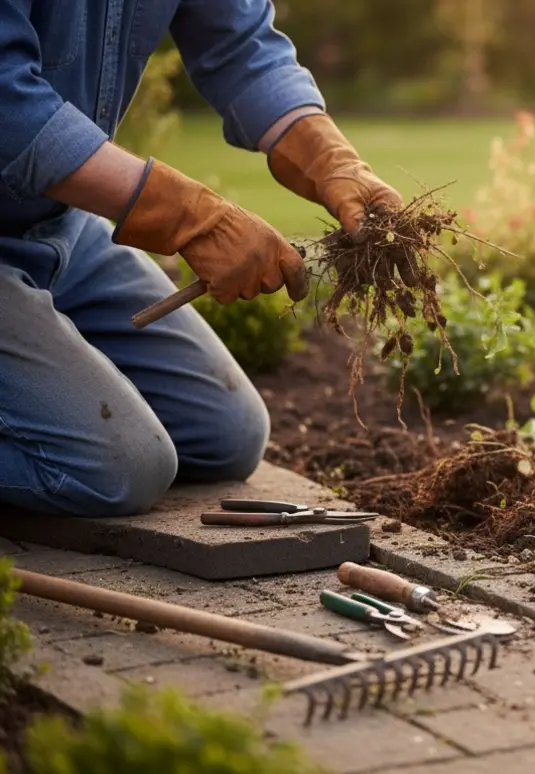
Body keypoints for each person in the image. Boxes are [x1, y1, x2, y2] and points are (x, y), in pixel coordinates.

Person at [0, 1, 401, 517]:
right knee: (117, 469)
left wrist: (328, 157)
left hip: (57, 225)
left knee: (224, 434)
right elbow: (8, 106)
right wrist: (188, 216)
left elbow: (240, 43)